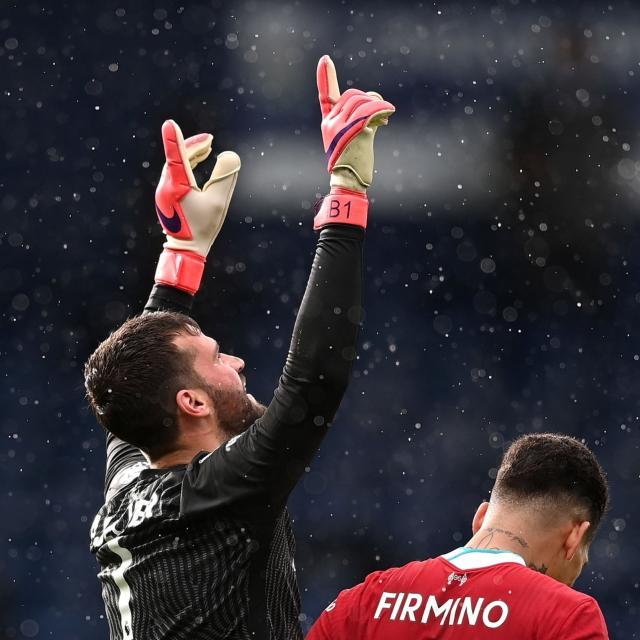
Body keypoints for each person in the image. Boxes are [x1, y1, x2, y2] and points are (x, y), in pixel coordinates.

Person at [84, 55, 394, 640]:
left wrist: (182, 254)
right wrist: (346, 195)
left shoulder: (132, 486)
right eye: (216, 359)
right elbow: (312, 383)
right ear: (192, 403)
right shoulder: (220, 494)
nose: (237, 361)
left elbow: (136, 376)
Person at [307, 432, 609, 639]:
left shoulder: (364, 601)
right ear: (574, 536)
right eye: (580, 562)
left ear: (480, 518)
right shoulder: (568, 616)